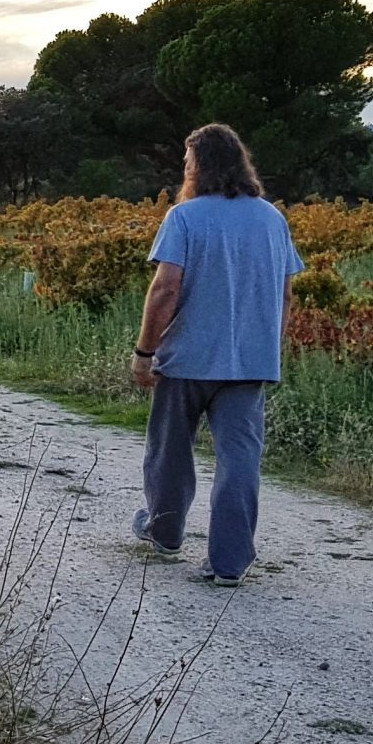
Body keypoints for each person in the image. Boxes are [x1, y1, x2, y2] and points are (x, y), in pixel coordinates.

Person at [130, 123, 305, 587]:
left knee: (169, 452)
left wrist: (145, 350)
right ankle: (229, 563)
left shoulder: (184, 217)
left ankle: (165, 534)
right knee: (239, 461)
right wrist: (269, 346)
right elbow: (286, 295)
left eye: (187, 163)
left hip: (188, 357)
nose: (184, 170)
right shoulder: (273, 218)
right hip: (250, 363)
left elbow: (166, 288)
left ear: (201, 167)